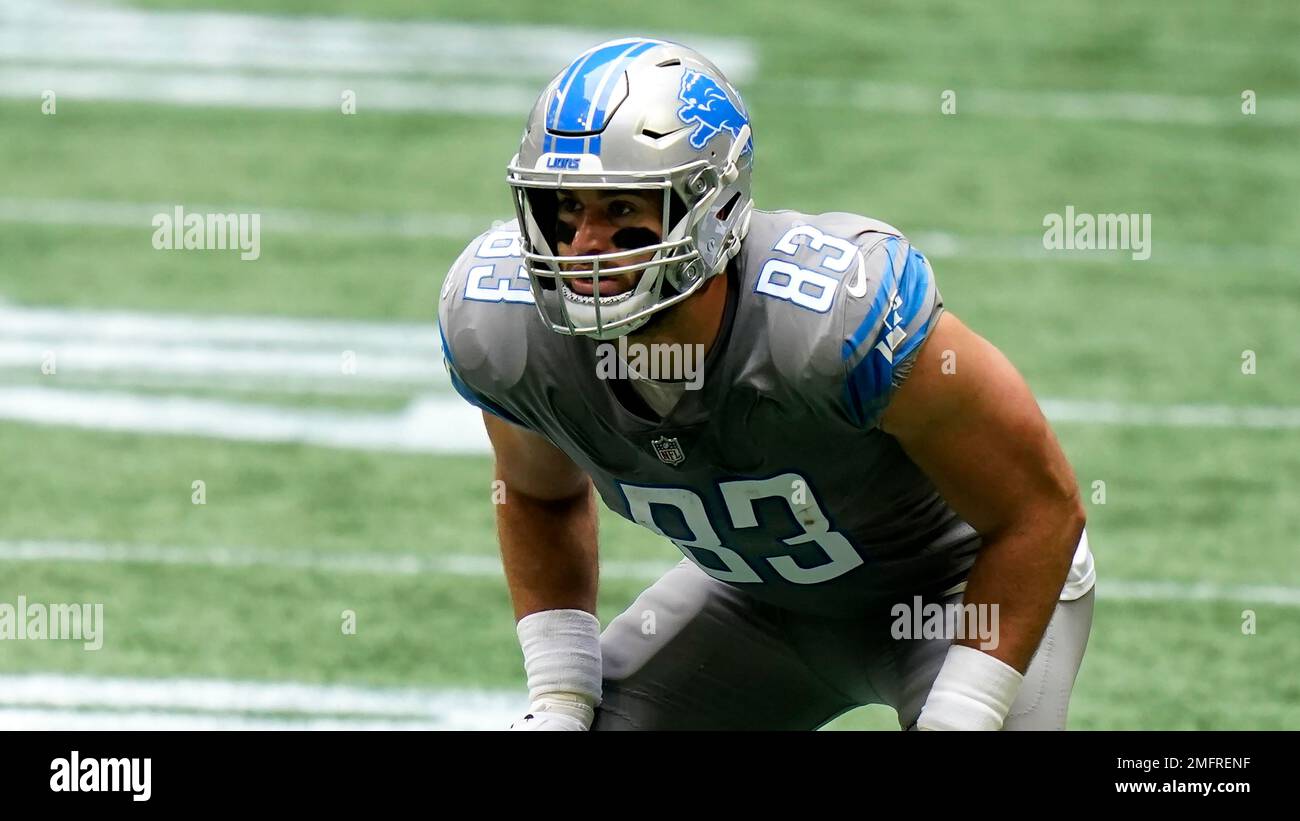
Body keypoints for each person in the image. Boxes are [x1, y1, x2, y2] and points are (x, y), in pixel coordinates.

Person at [437, 38, 1095, 730]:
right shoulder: (508, 331)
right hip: (758, 602)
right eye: (565, 209)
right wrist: (562, 699)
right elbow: (540, 497)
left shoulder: (833, 317)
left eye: (624, 210)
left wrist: (964, 711)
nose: (583, 247)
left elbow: (1038, 513)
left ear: (712, 210)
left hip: (958, 593)